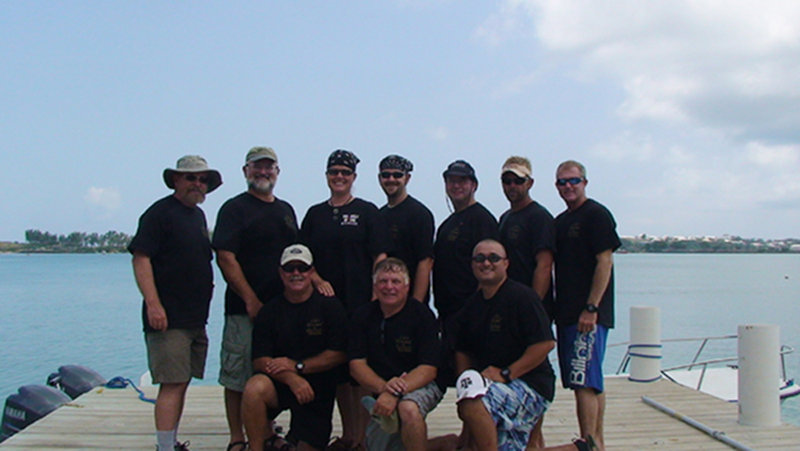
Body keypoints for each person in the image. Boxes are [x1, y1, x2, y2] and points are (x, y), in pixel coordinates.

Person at [454, 240, 593, 451]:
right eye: (479, 258)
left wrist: (507, 373)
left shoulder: (522, 297)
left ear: (506, 264)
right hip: (495, 386)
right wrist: (463, 387)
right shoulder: (471, 306)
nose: (486, 263)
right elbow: (463, 351)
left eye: (494, 258)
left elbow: (545, 344)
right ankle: (580, 449)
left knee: (474, 403)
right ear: (472, 264)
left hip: (530, 384)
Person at [129, 155, 222, 451]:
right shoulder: (159, 214)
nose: (198, 184)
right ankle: (164, 447)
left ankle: (171, 442)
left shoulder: (197, 216)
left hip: (194, 318)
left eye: (202, 179)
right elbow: (141, 258)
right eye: (191, 178)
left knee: (181, 382)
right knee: (171, 384)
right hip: (168, 319)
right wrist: (153, 305)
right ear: (176, 180)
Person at [300, 149, 391, 450]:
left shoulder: (367, 211)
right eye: (334, 171)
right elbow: (303, 258)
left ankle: (364, 439)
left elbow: (380, 253)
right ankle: (349, 434)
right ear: (326, 176)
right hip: (326, 307)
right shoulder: (315, 214)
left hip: (361, 304)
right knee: (339, 374)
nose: (339, 177)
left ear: (353, 177)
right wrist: (318, 281)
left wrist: (377, 289)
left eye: (345, 172)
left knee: (360, 371)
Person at [212, 147, 300, 451]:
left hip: (281, 312)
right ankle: (238, 438)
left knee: (270, 374)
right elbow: (225, 256)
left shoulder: (286, 210)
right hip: (243, 310)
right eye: (257, 168)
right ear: (245, 171)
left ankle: (263, 432)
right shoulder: (234, 209)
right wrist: (250, 299)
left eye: (269, 167)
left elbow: (297, 258)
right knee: (237, 376)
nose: (263, 173)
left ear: (277, 172)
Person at [242, 244, 348, 451]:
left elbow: (340, 353)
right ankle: (256, 446)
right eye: (290, 268)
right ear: (281, 273)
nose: (296, 273)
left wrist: (298, 366)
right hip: (281, 383)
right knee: (254, 387)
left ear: (311, 272)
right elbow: (259, 359)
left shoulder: (330, 307)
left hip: (318, 389)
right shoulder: (269, 311)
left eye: (302, 268)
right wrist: (291, 377)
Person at [553, 160, 621, 450]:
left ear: (585, 182)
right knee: (591, 380)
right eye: (562, 182)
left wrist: (592, 308)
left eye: (574, 181)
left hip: (588, 315)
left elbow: (605, 261)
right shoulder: (560, 221)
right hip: (567, 313)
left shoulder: (597, 215)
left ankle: (587, 443)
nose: (568, 186)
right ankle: (598, 442)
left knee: (584, 382)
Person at [349, 258, 450, 450]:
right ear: (375, 286)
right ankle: (444, 444)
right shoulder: (362, 316)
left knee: (408, 409)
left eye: (395, 282)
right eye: (383, 281)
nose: (389, 287)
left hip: (423, 384)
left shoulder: (423, 316)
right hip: (383, 386)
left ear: (406, 286)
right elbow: (357, 365)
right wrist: (384, 388)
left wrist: (394, 392)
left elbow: (428, 369)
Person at [497, 156, 556, 449]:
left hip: (532, 310)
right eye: (507, 180)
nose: (511, 186)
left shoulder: (539, 217)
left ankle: (535, 443)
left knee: (534, 375)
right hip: (508, 311)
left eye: (517, 180)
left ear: (529, 183)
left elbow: (544, 265)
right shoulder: (506, 218)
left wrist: (534, 307)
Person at [432, 160, 498, 389]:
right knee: (460, 379)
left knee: (475, 378)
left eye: (463, 180)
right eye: (452, 180)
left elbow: (490, 270)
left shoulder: (483, 220)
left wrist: (479, 310)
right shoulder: (446, 225)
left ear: (474, 185)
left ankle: (478, 424)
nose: (456, 185)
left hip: (474, 313)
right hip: (449, 315)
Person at [377, 155, 435, 303]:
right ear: (379, 178)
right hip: (384, 301)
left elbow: (425, 262)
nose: (391, 179)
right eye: (386, 175)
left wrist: (416, 303)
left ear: (407, 178)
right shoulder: (378, 215)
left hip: (409, 301)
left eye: (397, 175)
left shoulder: (420, 214)